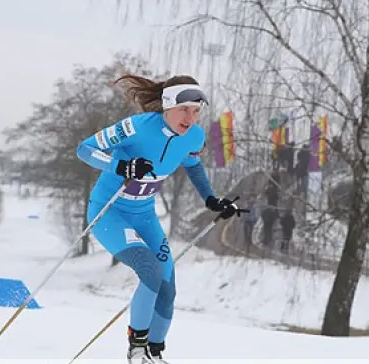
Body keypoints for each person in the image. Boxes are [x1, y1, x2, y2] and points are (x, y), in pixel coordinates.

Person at [76, 73, 244, 364]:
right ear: (167, 105)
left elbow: (193, 165)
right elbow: (85, 149)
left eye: (196, 111)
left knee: (167, 287)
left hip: (144, 215)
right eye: (184, 109)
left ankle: (154, 353)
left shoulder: (193, 136)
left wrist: (211, 199)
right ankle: (137, 349)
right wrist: (123, 166)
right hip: (110, 213)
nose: (190, 118)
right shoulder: (136, 128)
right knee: (150, 270)